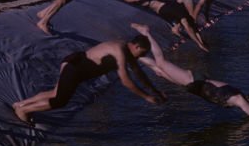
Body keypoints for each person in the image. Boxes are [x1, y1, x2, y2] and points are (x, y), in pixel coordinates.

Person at [12, 34, 166, 124]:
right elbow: (126, 81)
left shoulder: (126, 49)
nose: (144, 57)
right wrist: (146, 97)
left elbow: (139, 74)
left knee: (55, 92)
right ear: (137, 47)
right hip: (75, 67)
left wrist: (155, 91)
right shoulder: (118, 51)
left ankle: (20, 103)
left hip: (76, 64)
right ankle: (24, 110)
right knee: (60, 100)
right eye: (143, 53)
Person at [131, 25, 249, 118]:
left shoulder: (237, 98)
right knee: (161, 62)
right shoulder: (239, 99)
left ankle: (132, 55)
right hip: (194, 80)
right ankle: (146, 32)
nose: (248, 107)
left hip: (193, 86)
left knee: (159, 71)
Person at [86, 0, 208, 50]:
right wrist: (199, 45)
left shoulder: (180, 13)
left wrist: (197, 40)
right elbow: (190, 28)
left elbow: (183, 29)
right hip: (148, 0)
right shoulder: (182, 17)